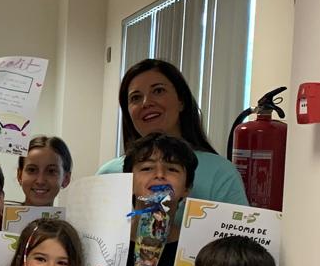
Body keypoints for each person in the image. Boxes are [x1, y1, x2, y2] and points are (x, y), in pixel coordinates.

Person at [96, 59, 247, 205]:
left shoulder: (220, 174)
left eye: (158, 91)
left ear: (181, 100)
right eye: (136, 97)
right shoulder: (109, 174)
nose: (146, 103)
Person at [101, 134, 200, 266]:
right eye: (147, 168)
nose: (160, 174)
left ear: (187, 187)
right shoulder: (105, 245)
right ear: (129, 182)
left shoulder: (197, 253)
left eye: (172, 169)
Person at [16, 135, 74, 208]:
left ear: (66, 179)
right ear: (19, 175)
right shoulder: (1, 218)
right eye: (32, 170)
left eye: (51, 171)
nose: (40, 181)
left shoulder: (74, 218)